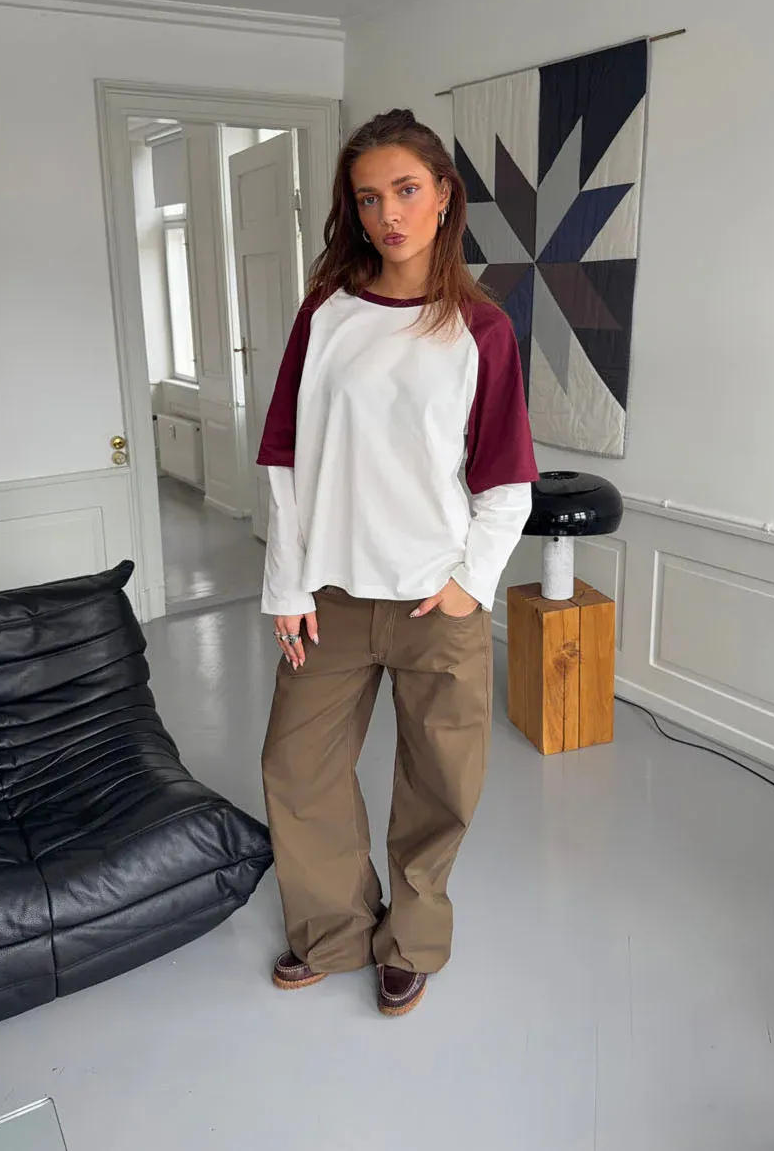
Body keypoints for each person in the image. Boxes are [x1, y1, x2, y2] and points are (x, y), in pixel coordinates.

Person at [256, 108, 537, 1017]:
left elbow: (506, 482)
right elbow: (284, 461)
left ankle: (410, 940)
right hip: (330, 598)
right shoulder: (325, 316)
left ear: (443, 195)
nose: (388, 214)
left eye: (406, 190)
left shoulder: (481, 330)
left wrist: (466, 587)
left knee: (439, 783)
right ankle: (333, 931)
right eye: (369, 197)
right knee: (296, 768)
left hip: (435, 603)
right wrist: (286, 584)